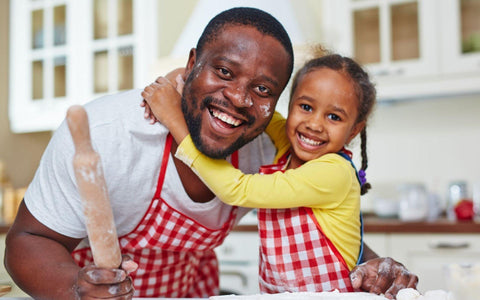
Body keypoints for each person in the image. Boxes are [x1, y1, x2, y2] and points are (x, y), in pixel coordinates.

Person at [4, 7, 417, 300]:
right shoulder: (108, 133)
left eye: (263, 90)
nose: (238, 98)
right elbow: (28, 240)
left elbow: (322, 229)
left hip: (190, 291)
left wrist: (377, 270)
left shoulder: (271, 143)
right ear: (191, 66)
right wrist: (76, 289)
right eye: (223, 71)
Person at [142, 51, 374, 294]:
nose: (314, 124)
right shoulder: (288, 145)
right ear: (291, 104)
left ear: (354, 130)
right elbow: (259, 111)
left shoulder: (333, 172)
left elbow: (236, 189)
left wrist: (173, 119)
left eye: (334, 117)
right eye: (305, 107)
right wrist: (184, 79)